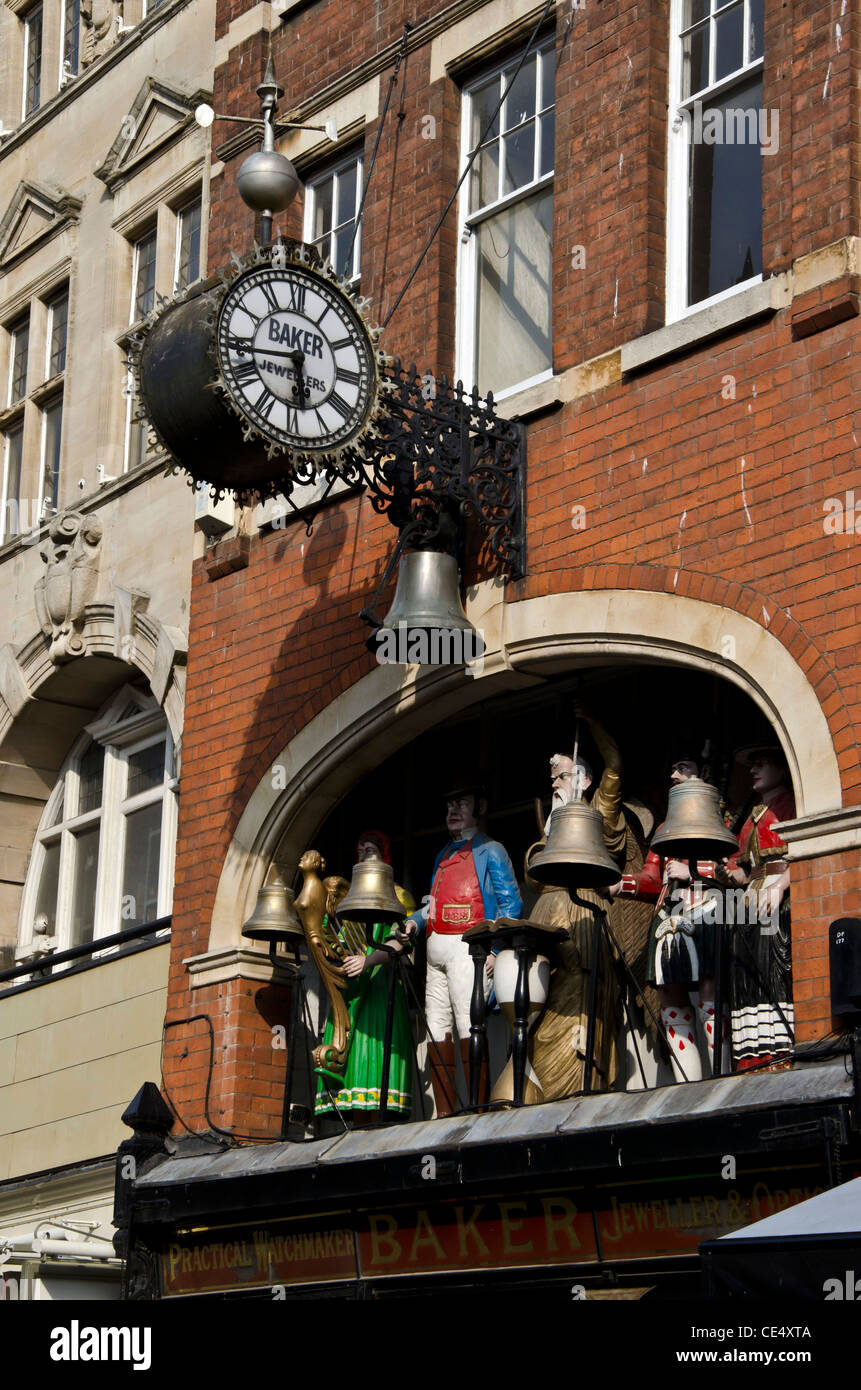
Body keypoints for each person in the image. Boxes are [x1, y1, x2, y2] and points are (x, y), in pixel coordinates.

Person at [528, 704, 627, 1099]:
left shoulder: (595, 811)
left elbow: (615, 766)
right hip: (544, 915)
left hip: (582, 911)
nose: (556, 784)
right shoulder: (547, 825)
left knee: (578, 997)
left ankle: (577, 1086)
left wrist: (594, 725)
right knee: (537, 1002)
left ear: (584, 781)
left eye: (564, 776)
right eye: (553, 778)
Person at [407, 787, 522, 1117]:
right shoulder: (442, 856)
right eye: (449, 804)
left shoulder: (491, 851)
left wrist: (496, 948)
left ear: (479, 807)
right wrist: (414, 923)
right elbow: (431, 904)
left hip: (468, 946)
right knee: (436, 1025)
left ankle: (475, 1108)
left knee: (468, 1024)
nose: (452, 810)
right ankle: (444, 1111)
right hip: (435, 951)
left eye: (461, 804)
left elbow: (510, 903)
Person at [613, 755, 723, 1081]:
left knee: (709, 988)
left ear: (703, 771)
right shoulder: (664, 827)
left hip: (708, 908)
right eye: (672, 768)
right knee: (669, 993)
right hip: (668, 915)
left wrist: (692, 872)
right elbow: (651, 877)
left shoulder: (721, 815)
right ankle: (688, 1082)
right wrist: (621, 884)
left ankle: (721, 1076)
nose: (674, 774)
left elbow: (734, 867)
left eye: (683, 767)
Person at [314, 830, 416, 1123]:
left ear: (384, 857)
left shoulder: (397, 895)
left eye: (371, 851)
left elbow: (401, 940)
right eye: (360, 852)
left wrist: (369, 960)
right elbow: (330, 936)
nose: (364, 856)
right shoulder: (347, 900)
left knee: (373, 1057)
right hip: (349, 991)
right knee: (351, 1055)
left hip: (380, 988)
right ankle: (355, 1127)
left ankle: (376, 1125)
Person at [718, 748, 796, 1070]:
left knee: (770, 972)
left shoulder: (790, 804)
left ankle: (779, 1054)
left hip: (774, 897)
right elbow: (749, 869)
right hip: (750, 898)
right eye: (751, 765)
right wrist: (733, 875)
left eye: (762, 763)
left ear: (782, 766)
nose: (754, 770)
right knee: (745, 975)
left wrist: (781, 885)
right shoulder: (755, 813)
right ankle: (753, 1055)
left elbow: (803, 852)